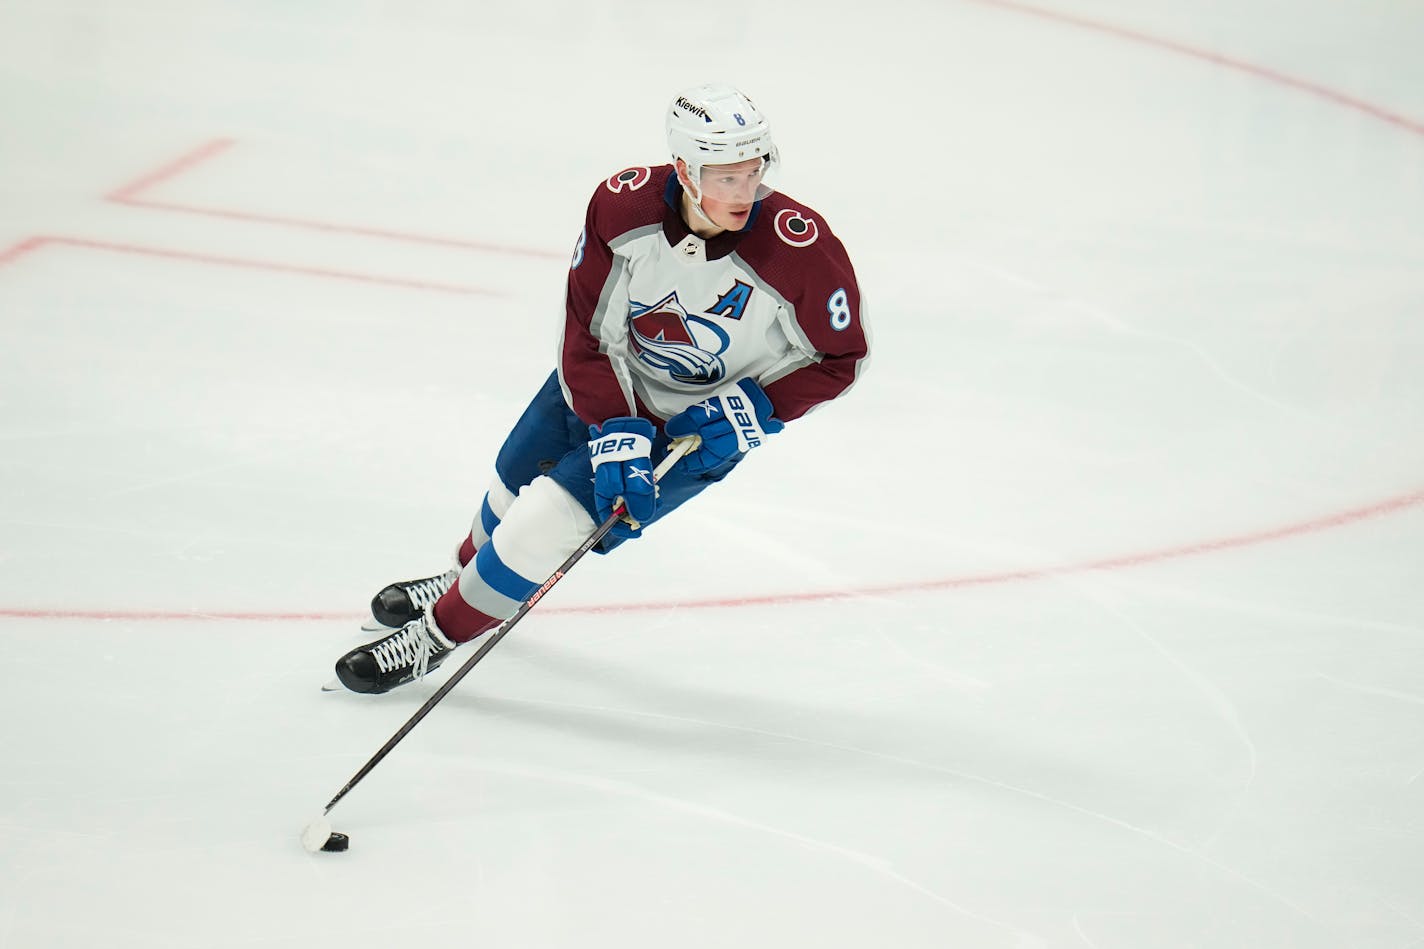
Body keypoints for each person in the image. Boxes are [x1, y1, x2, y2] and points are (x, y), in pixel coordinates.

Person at [333, 81, 871, 693]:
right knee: (510, 486)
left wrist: (756, 407)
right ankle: (466, 577)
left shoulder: (799, 249)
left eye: (755, 171)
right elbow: (586, 326)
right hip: (597, 385)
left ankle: (434, 637)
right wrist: (615, 424)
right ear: (684, 169)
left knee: (541, 523)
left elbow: (842, 357)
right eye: (725, 177)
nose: (745, 192)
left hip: (690, 432)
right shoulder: (625, 208)